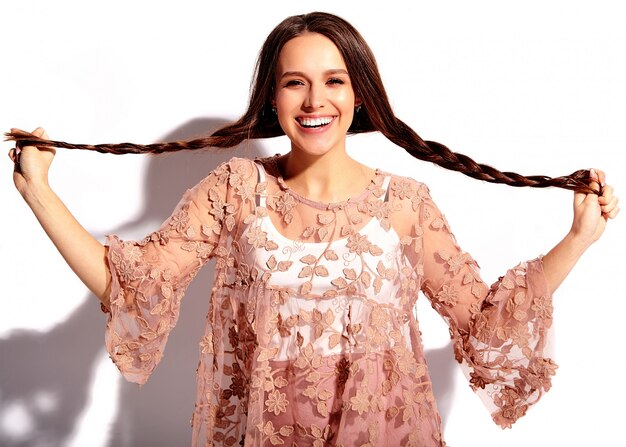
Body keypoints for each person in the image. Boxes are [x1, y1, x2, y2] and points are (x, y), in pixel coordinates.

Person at [6, 11, 619, 447]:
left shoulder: (405, 204)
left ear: (359, 94)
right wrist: (39, 191)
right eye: (294, 82)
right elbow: (130, 289)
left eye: (334, 81)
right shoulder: (235, 190)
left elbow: (486, 330)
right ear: (273, 97)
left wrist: (576, 241)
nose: (314, 100)